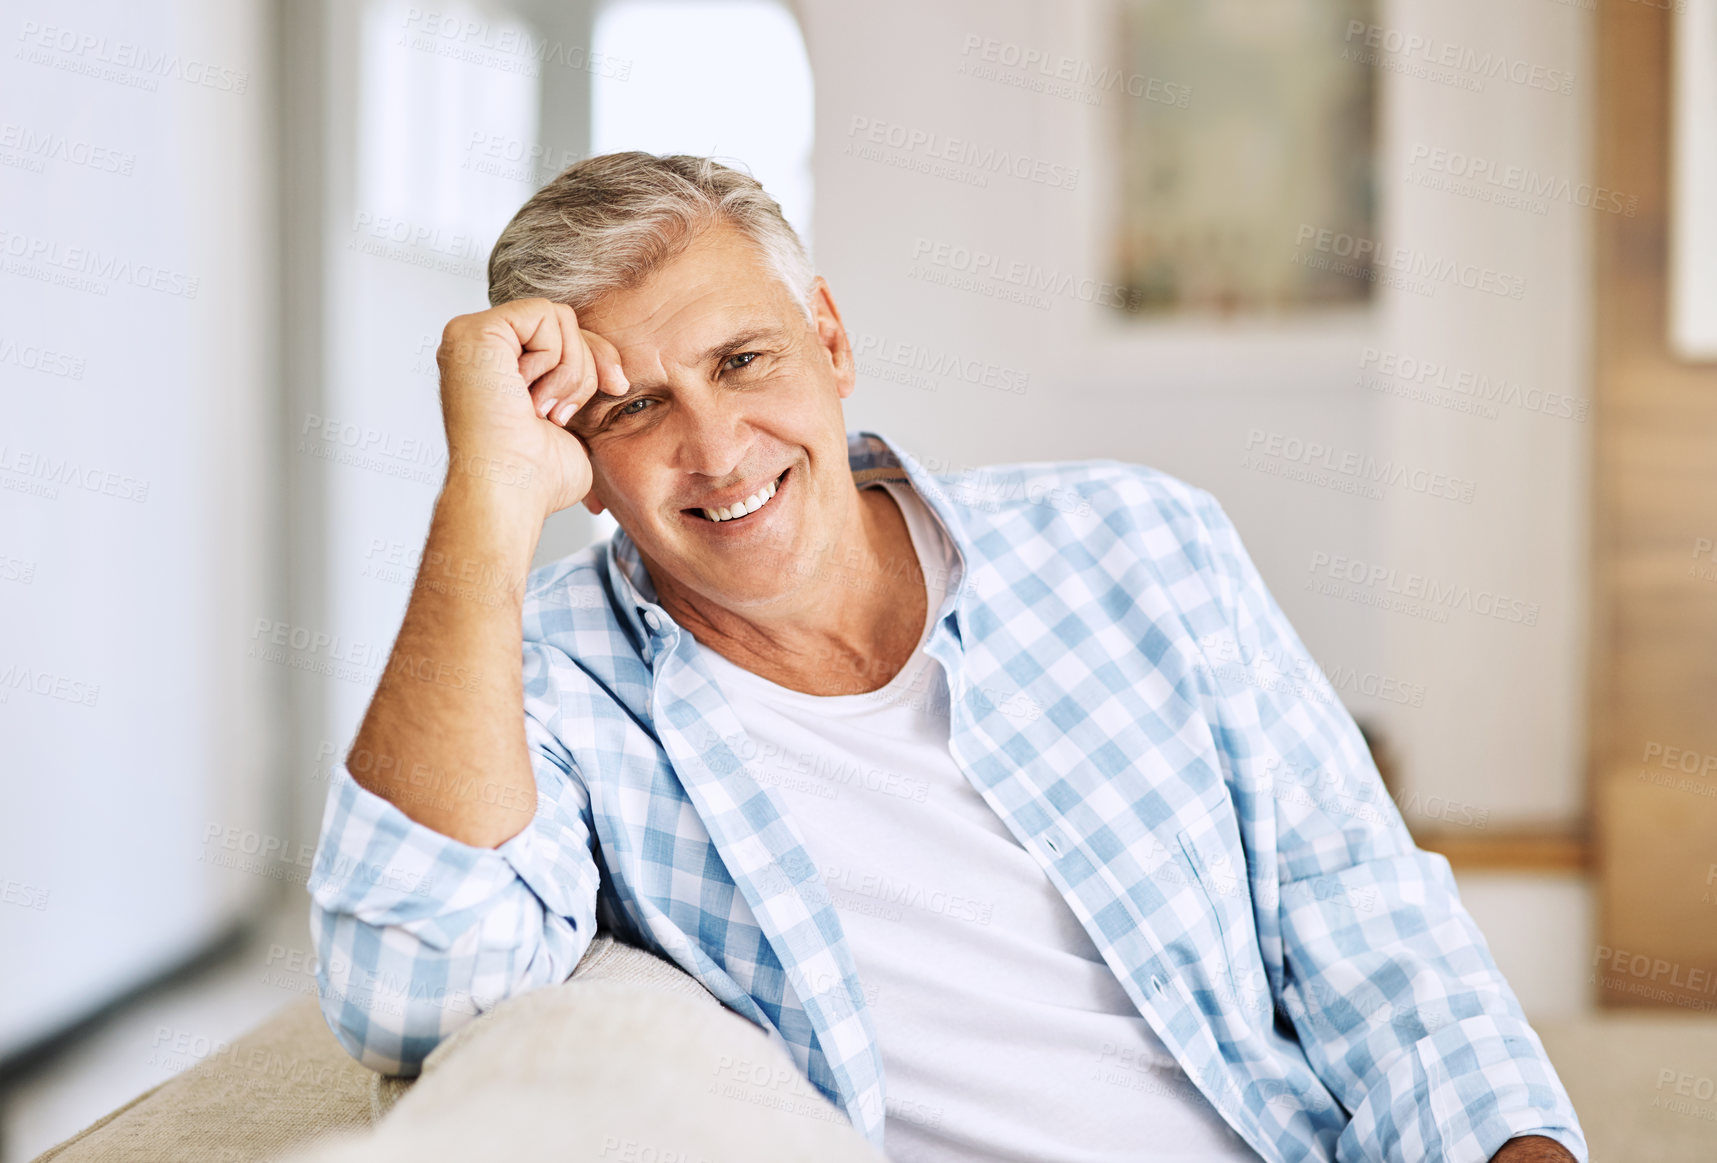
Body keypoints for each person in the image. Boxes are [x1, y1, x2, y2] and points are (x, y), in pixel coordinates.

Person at [307, 152, 1585, 1163]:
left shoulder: (1134, 538)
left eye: (742, 359)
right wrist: (484, 495)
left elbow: (1365, 920)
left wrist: (1512, 1144)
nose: (715, 445)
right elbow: (411, 986)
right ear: (577, 456)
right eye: (634, 407)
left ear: (832, 342)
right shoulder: (557, 681)